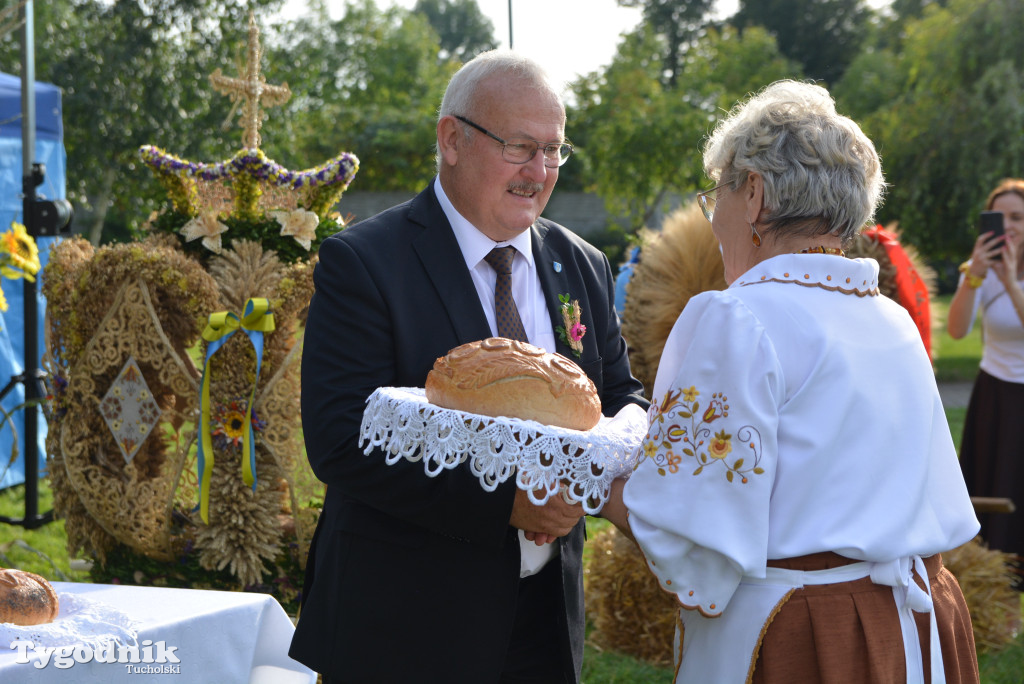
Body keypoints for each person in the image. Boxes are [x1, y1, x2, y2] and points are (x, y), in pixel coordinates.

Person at [600, 80, 981, 683]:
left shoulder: (739, 316)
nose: (713, 217)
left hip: (803, 635)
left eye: (714, 194)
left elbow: (690, 526)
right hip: (915, 626)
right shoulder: (892, 320)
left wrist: (583, 473)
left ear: (751, 193)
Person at [288, 49, 648, 684]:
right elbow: (340, 439)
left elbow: (620, 400)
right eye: (519, 147)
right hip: (405, 627)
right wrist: (504, 505)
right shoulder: (366, 262)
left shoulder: (580, 263)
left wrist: (611, 478)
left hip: (542, 625)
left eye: (554, 151)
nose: (539, 171)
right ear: (451, 139)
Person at [947, 177, 1024, 576]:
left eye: (1018, 217)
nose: (1009, 226)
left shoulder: (1009, 276)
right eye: (1001, 217)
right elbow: (957, 330)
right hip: (993, 393)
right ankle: (1000, 587)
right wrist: (975, 274)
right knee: (993, 484)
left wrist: (1011, 282)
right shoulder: (977, 268)